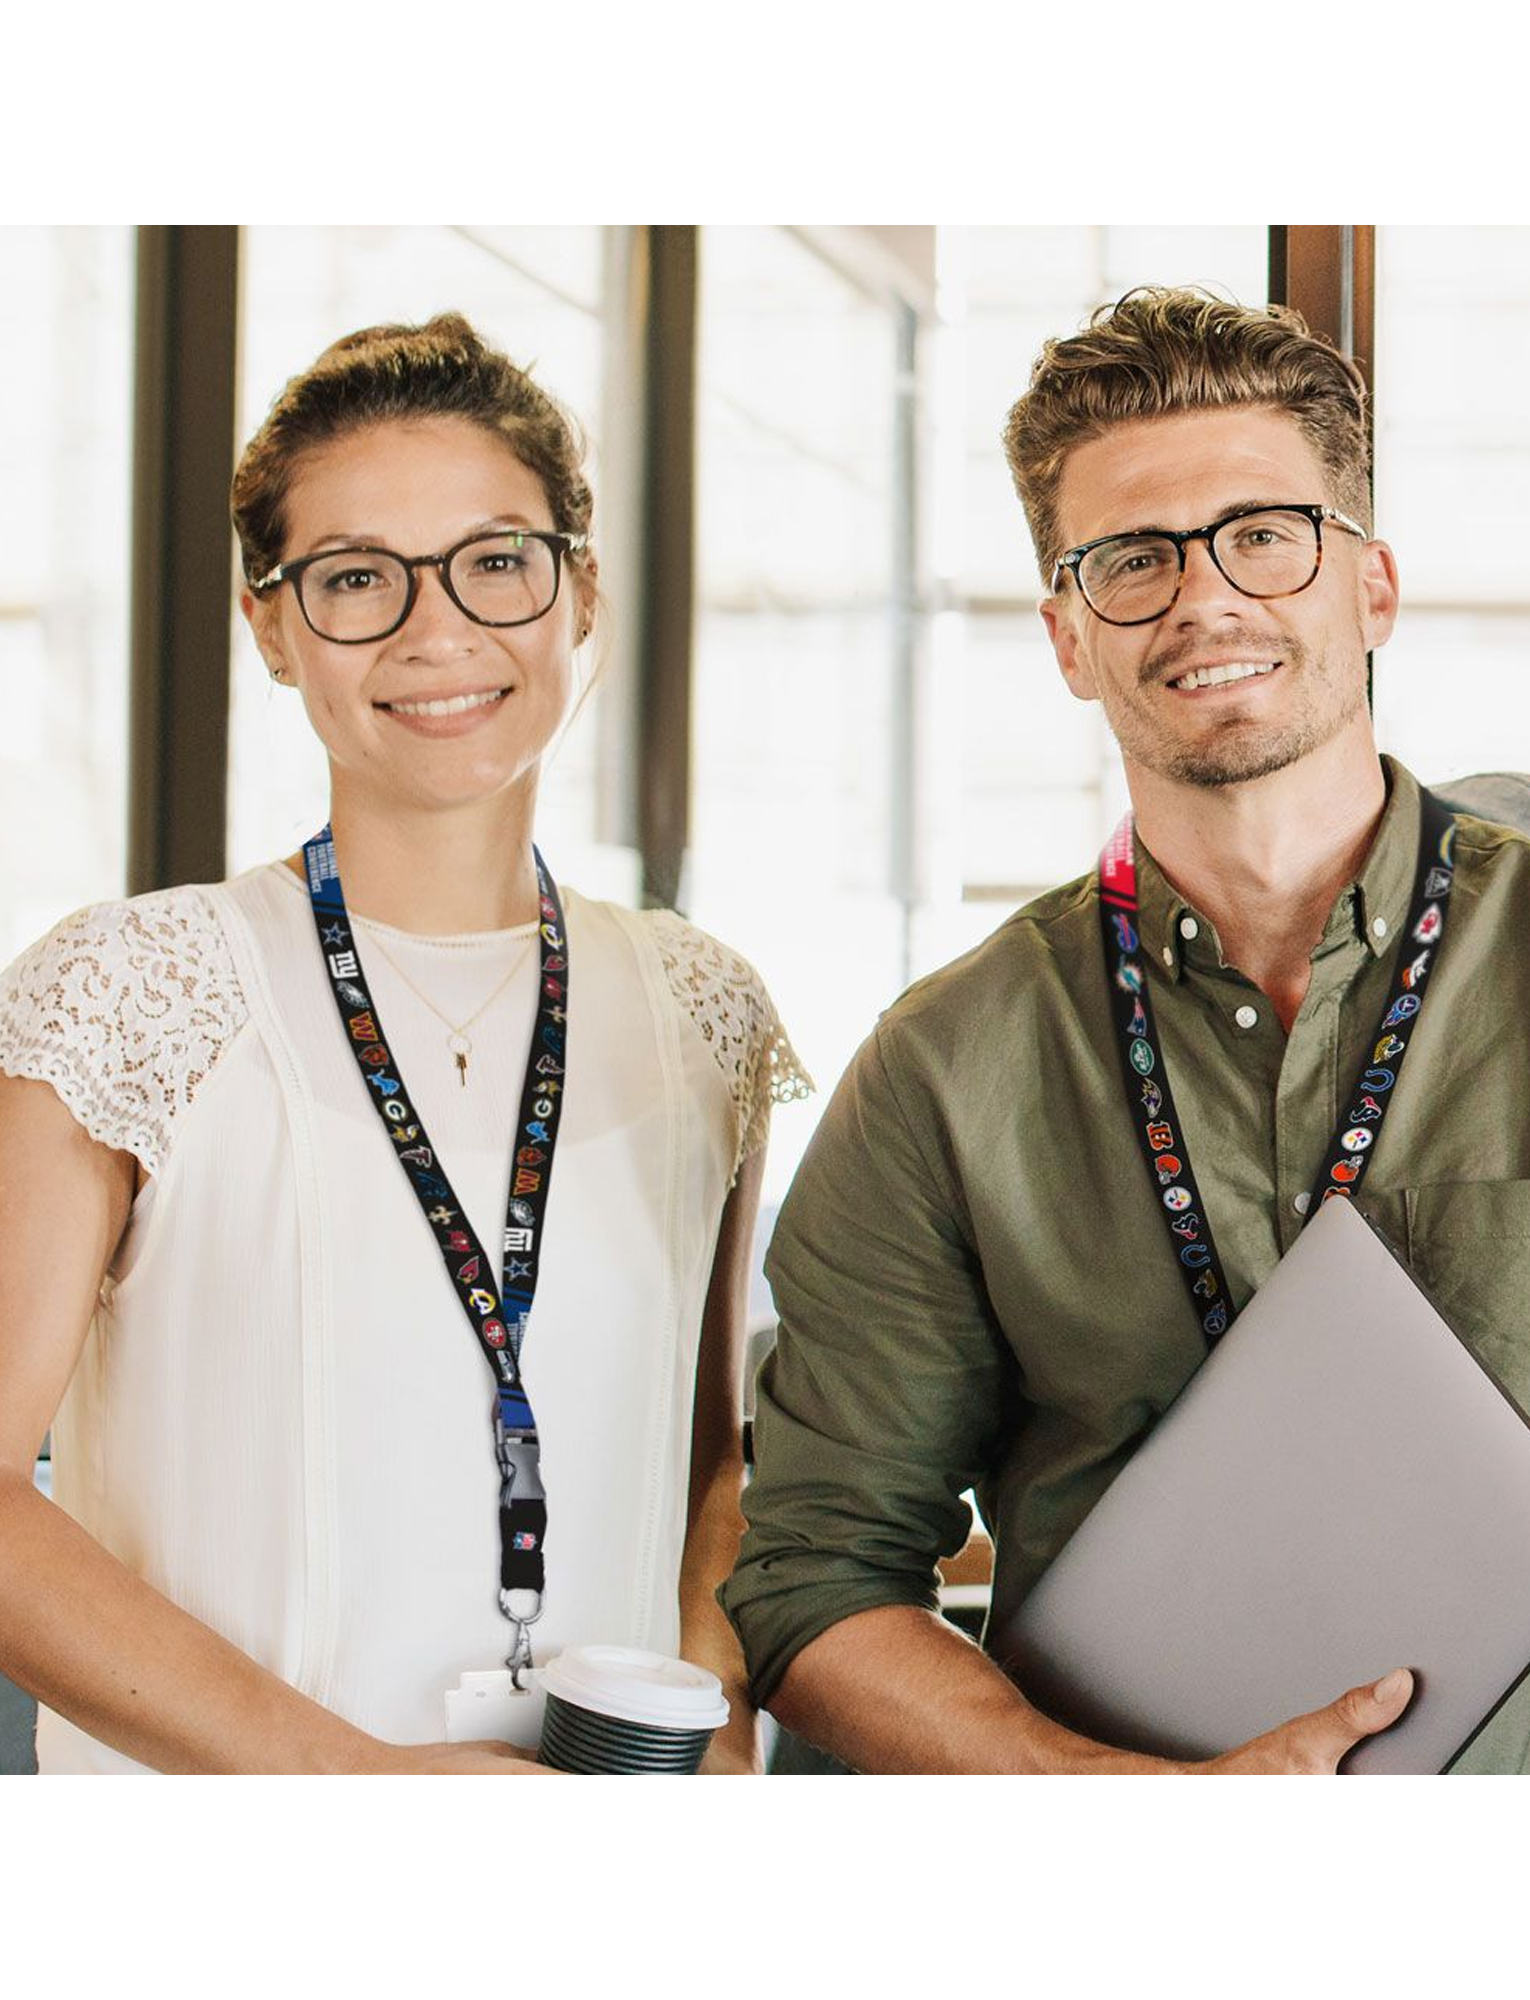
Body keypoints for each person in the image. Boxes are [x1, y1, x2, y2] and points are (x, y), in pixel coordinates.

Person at [721, 286, 1530, 1775]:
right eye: (1131, 562)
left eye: (1262, 534)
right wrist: (1120, 1809)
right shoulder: (941, 1071)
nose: (1202, 599)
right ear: (1064, 636)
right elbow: (815, 1582)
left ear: (1372, 587)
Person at [0, 312, 809, 1775]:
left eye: (496, 562)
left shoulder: (703, 1005)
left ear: (579, 597)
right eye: (357, 579)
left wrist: (712, 1711)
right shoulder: (128, 985)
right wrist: (362, 1794)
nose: (437, 633)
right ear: (271, 625)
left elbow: (706, 1462)